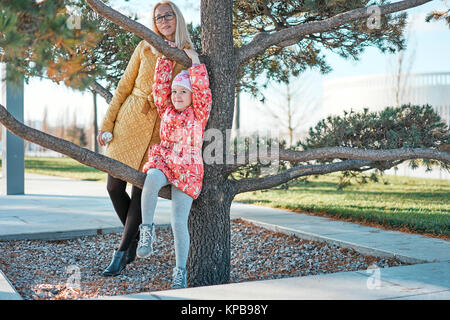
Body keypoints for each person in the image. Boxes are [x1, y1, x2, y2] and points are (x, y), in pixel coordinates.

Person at [98, 1, 194, 277]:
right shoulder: (145, 46)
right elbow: (123, 87)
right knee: (113, 187)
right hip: (129, 122)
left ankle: (121, 253)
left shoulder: (186, 55)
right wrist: (108, 123)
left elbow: (190, 96)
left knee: (141, 191)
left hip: (157, 130)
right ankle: (134, 244)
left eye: (168, 15)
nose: (163, 20)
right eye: (158, 17)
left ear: (178, 18)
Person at [136, 48, 212, 289]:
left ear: (191, 95)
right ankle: (146, 230)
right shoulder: (166, 108)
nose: (177, 95)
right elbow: (159, 87)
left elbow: (203, 91)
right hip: (166, 158)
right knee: (151, 180)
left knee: (179, 221)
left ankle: (180, 272)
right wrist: (165, 58)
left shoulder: (199, 113)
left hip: (188, 168)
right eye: (175, 92)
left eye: (183, 92)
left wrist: (196, 62)